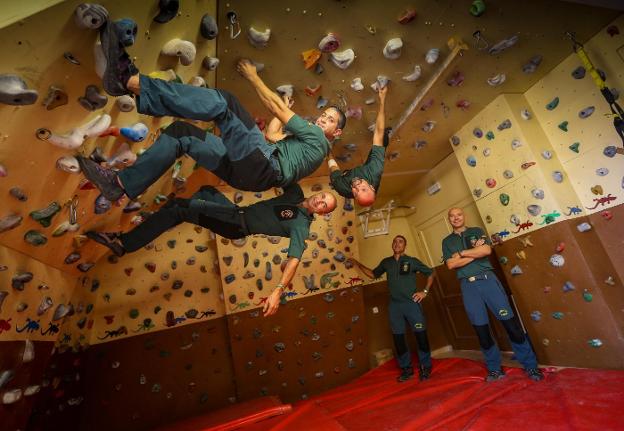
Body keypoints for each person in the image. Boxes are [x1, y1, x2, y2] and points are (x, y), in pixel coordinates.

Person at [79, 20, 346, 201]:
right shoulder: (311, 152)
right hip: (249, 176)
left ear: (337, 132)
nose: (324, 117)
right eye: (325, 114)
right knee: (181, 135)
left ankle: (128, 81)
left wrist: (252, 76)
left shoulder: (318, 138)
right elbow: (272, 138)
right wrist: (281, 115)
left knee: (226, 104)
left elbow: (273, 104)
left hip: (262, 165)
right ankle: (121, 185)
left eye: (331, 119)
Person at [87, 184, 337, 317]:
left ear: (323, 213)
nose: (321, 201)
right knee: (205, 192)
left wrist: (278, 290)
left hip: (235, 225)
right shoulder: (295, 193)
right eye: (323, 196)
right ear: (318, 193)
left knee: (181, 207)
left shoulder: (301, 225)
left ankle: (124, 244)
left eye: (325, 206)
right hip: (235, 213)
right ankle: (175, 211)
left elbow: (294, 260)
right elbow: (284, 168)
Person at [442, 207, 544, 382]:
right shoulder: (447, 241)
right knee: (481, 330)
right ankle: (494, 369)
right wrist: (475, 253)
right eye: (452, 216)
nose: (456, 218)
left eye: (459, 214)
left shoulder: (476, 231)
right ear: (449, 220)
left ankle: (531, 366)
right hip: (468, 286)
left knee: (511, 325)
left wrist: (461, 254)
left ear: (463, 216)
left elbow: (486, 251)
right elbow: (451, 265)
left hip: (488, 281)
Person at [351, 235, 435, 382]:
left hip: (412, 304)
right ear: (392, 245)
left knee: (421, 336)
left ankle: (425, 367)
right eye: (395, 241)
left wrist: (425, 292)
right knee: (399, 339)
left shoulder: (412, 261)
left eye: (400, 241)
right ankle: (406, 369)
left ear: (405, 245)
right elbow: (373, 274)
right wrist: (356, 263)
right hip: (395, 306)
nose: (397, 243)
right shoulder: (386, 262)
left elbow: (431, 273)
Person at [327, 86, 390, 207]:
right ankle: (386, 138)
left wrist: (327, 150)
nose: (356, 188)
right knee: (382, 138)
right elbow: (378, 132)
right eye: (363, 189)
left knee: (328, 152)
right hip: (368, 170)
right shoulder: (375, 170)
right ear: (371, 186)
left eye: (356, 194)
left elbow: (333, 168)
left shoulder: (342, 187)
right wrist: (382, 99)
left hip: (351, 175)